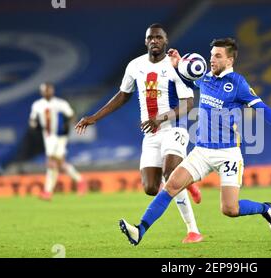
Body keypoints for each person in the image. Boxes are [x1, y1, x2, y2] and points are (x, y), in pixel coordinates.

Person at [117, 37, 271, 246]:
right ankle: (140, 230)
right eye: (211, 55)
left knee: (229, 209)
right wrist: (178, 62)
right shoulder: (205, 78)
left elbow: (261, 107)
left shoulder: (238, 84)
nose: (211, 60)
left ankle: (265, 208)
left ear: (230, 60)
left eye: (217, 56)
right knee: (171, 187)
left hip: (228, 154)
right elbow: (186, 74)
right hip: (202, 151)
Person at [75, 23, 203, 244]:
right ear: (145, 41)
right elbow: (123, 95)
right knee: (151, 188)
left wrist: (161, 118)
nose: (154, 41)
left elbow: (189, 103)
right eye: (150, 37)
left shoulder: (176, 66)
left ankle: (193, 231)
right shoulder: (135, 66)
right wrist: (94, 117)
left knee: (170, 176)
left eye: (159, 37)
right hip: (151, 134)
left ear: (166, 41)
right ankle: (187, 180)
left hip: (174, 128)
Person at [29, 82, 87, 201]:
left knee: (52, 162)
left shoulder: (60, 103)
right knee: (57, 164)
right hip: (48, 136)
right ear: (42, 92)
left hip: (60, 136)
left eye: (49, 89)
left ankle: (48, 191)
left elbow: (71, 115)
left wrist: (75, 125)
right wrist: (33, 124)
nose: (48, 92)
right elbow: (33, 120)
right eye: (45, 90)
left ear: (52, 90)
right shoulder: (37, 105)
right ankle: (79, 181)